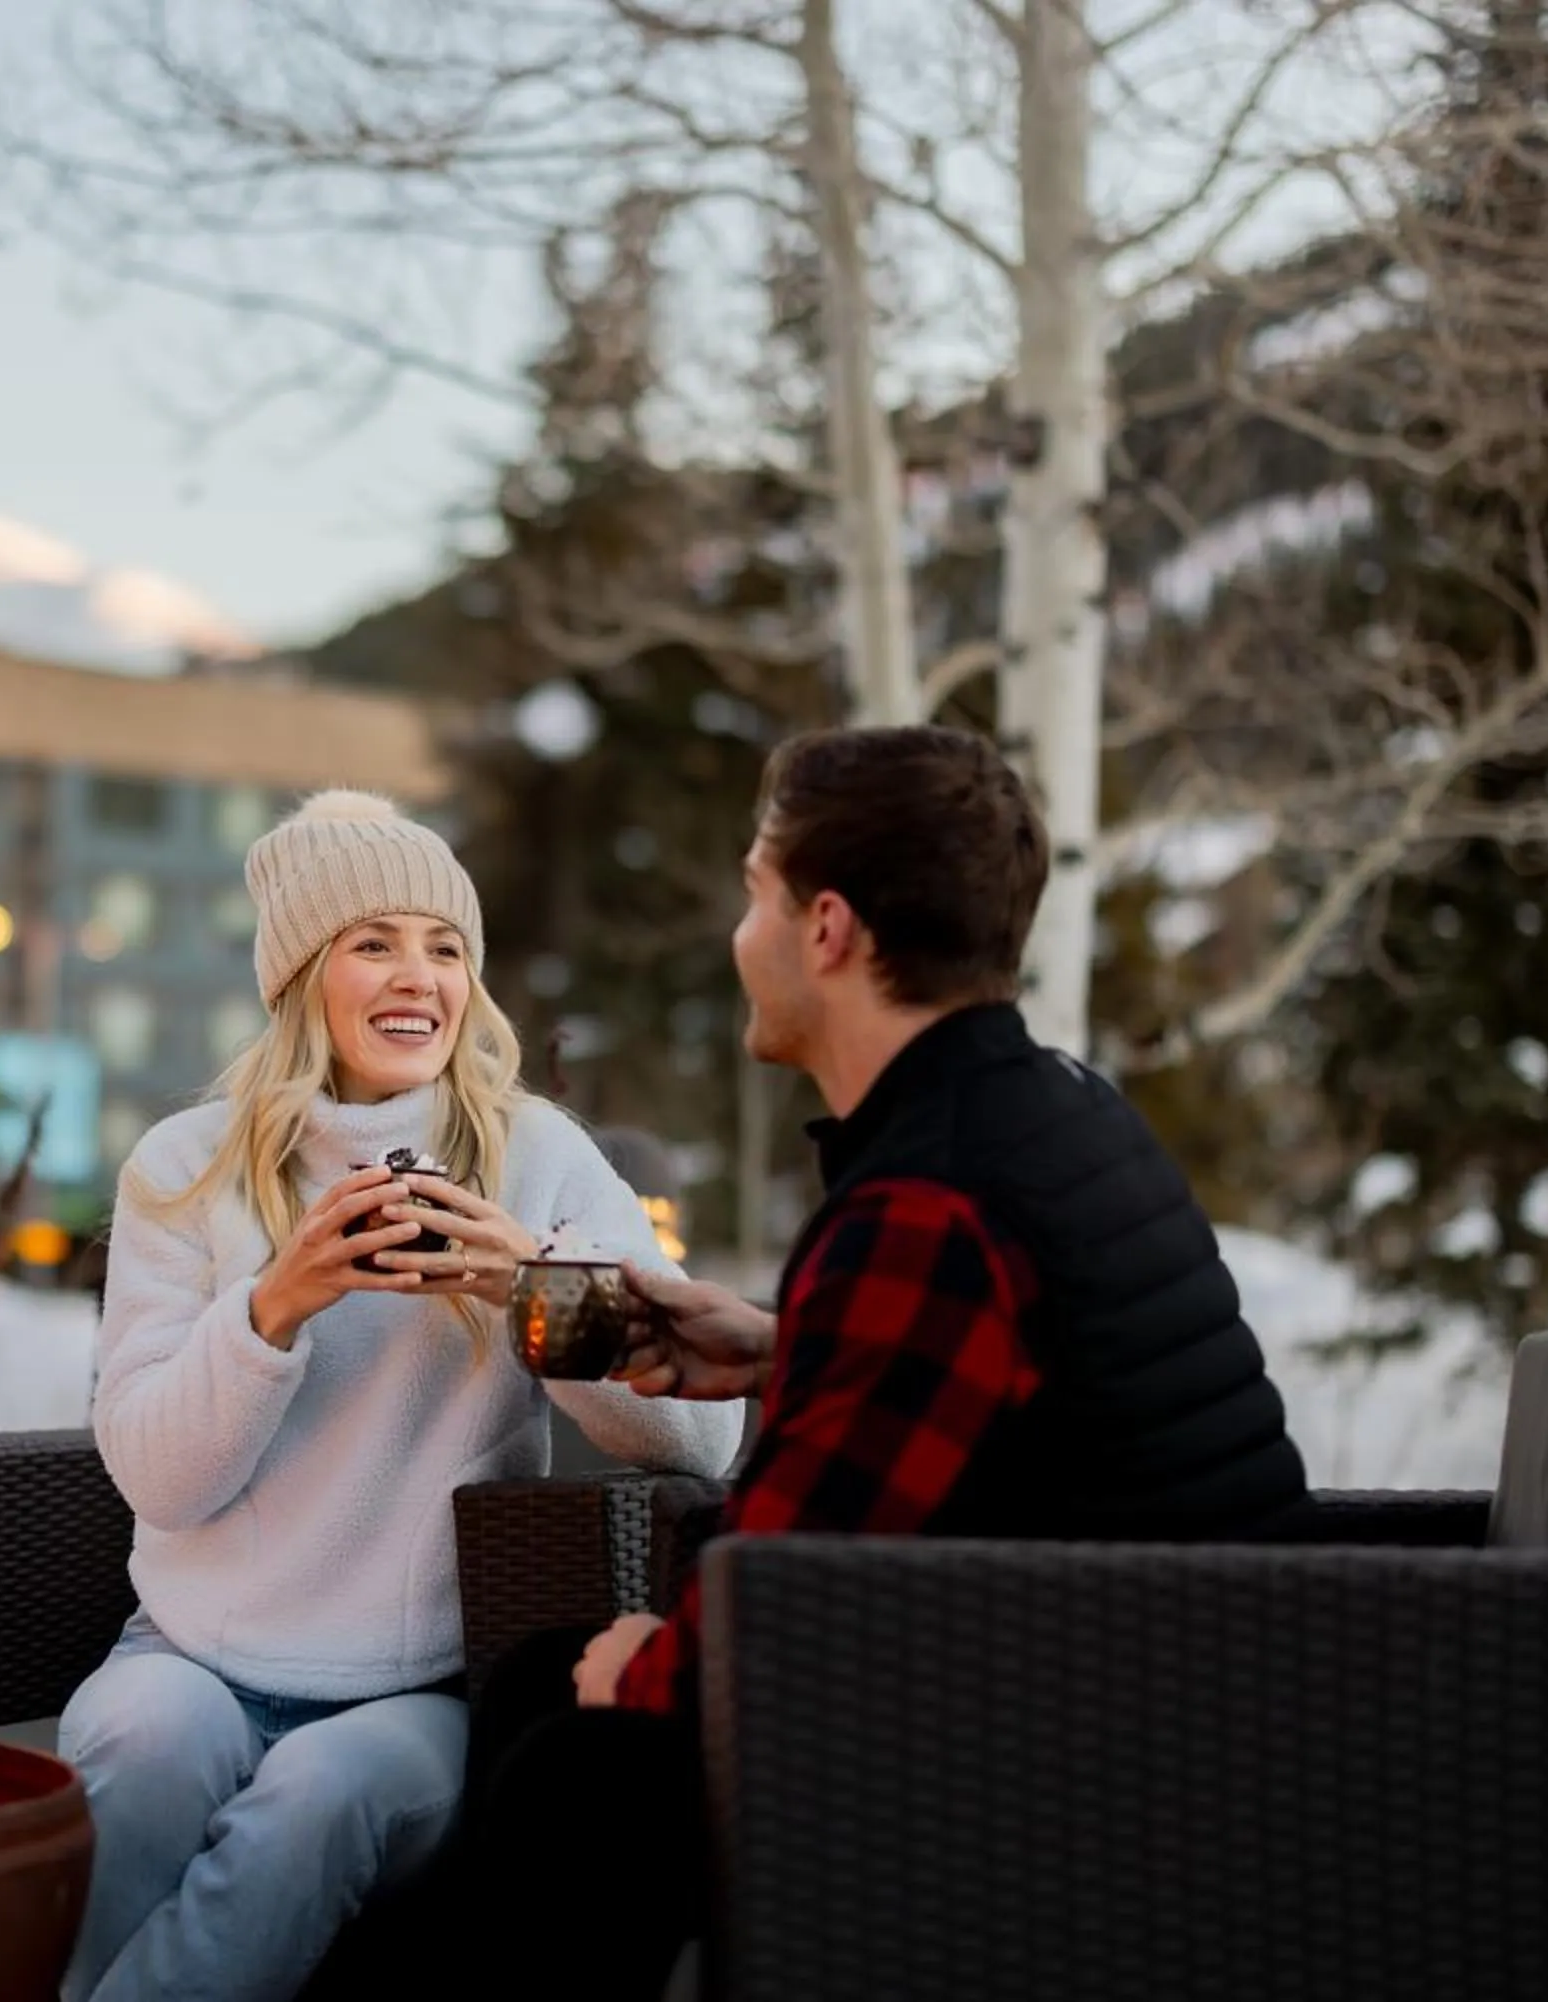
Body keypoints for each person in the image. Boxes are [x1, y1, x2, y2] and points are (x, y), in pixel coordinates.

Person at [448, 725, 1312, 2000]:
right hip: (1201, 1691)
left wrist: (644, 1672)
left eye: (756, 891)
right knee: (548, 1684)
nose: (741, 932)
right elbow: (1029, 1409)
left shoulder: (929, 1207)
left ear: (830, 929)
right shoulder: (1057, 1106)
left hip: (1112, 1782)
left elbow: (776, 1606)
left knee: (581, 1770)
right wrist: (782, 1349)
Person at [60, 788, 745, 2002]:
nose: (415, 976)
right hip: (192, 1649)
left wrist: (527, 1286)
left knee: (318, 1800)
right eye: (373, 942)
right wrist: (276, 1303)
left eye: (443, 947)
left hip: (419, 1685)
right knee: (140, 1744)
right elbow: (159, 1478)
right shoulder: (185, 1165)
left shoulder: (535, 1154)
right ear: (302, 976)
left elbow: (700, 1436)